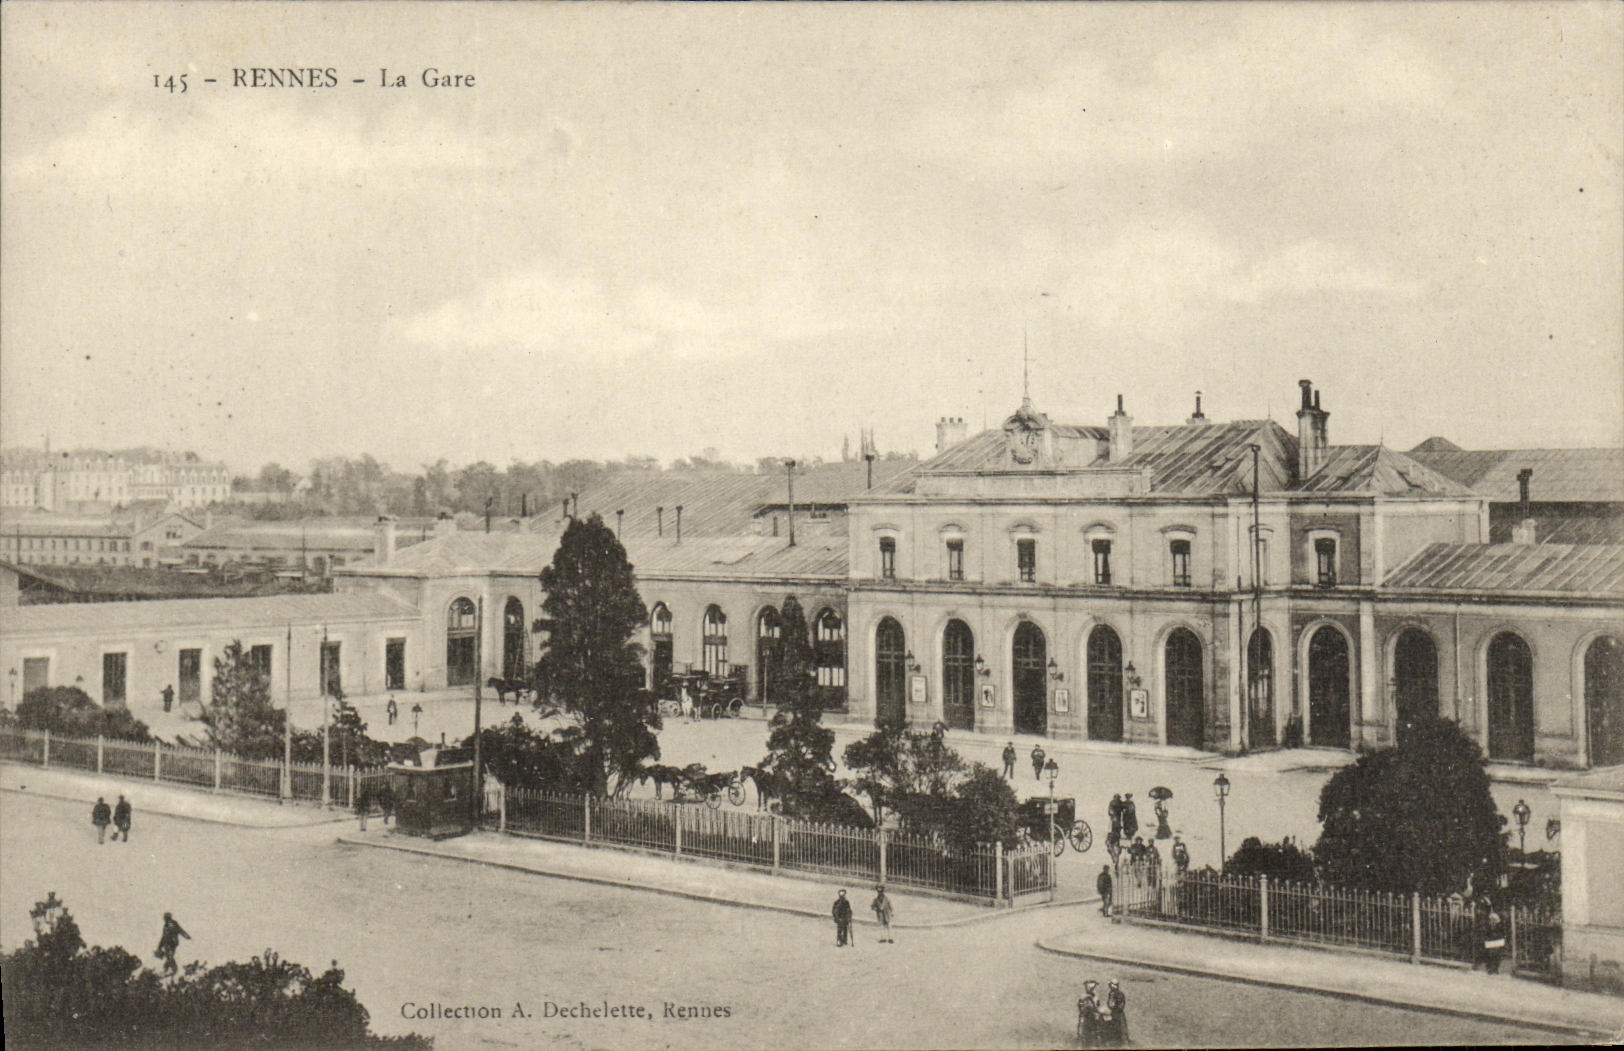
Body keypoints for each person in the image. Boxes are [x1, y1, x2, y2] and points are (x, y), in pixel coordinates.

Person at [1482, 904, 1506, 975]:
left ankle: (1495, 969)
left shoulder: (1499, 925)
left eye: (1494, 920)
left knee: (1496, 955)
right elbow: (1487, 932)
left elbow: (1501, 933)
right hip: (1491, 940)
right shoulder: (1489, 924)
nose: (1492, 921)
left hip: (1497, 940)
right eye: (1491, 920)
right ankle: (1490, 969)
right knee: (1489, 955)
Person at [1076, 980, 1101, 1048]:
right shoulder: (1083, 997)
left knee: (1093, 1033)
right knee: (1083, 1033)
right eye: (1089, 987)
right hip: (1085, 1017)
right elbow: (1080, 1006)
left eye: (1093, 987)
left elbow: (1097, 1005)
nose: (1091, 989)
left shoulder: (1095, 997)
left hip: (1092, 1017)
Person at [1105, 979, 1128, 1045]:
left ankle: (1122, 1042)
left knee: (1120, 1027)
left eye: (1114, 985)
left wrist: (1115, 1007)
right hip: (1113, 1012)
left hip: (1118, 1013)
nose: (1112, 986)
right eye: (1111, 985)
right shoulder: (1111, 993)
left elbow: (1121, 1005)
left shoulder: (1119, 994)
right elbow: (1109, 1003)